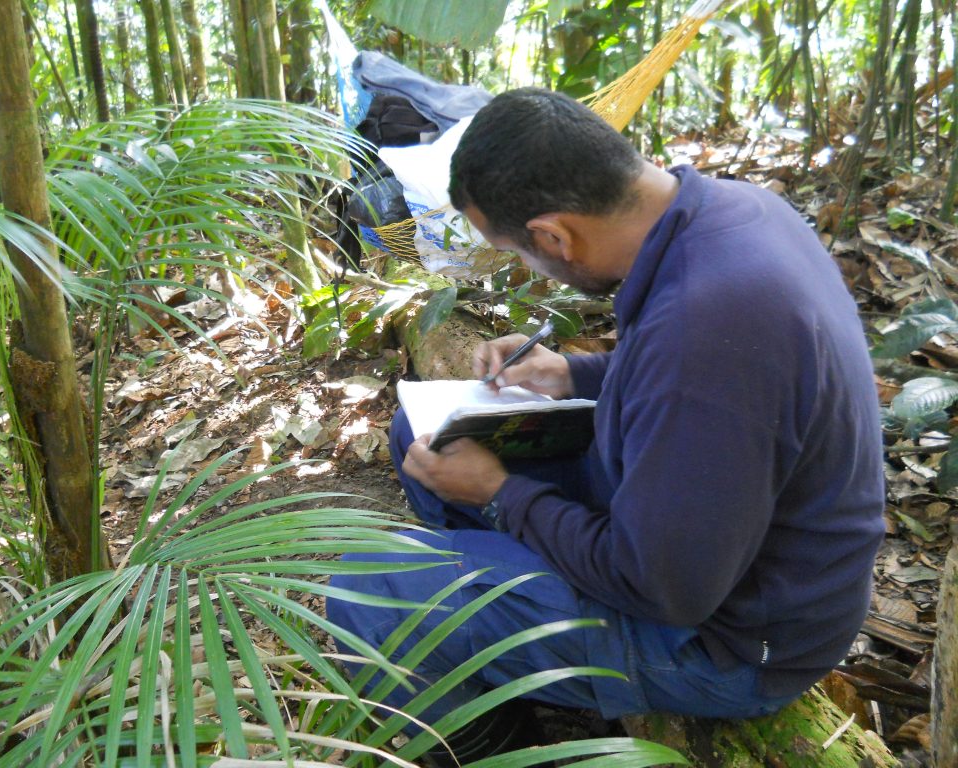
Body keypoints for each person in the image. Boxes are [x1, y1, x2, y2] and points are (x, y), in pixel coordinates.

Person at [325, 87, 885, 762]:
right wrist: (570, 375)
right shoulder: (730, 213)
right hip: (715, 546)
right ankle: (503, 643)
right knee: (422, 435)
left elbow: (662, 589)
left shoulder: (703, 334)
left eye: (520, 254)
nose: (530, 268)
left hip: (734, 641)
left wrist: (501, 494)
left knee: (368, 590)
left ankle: (496, 745)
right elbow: (686, 392)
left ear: (553, 235)